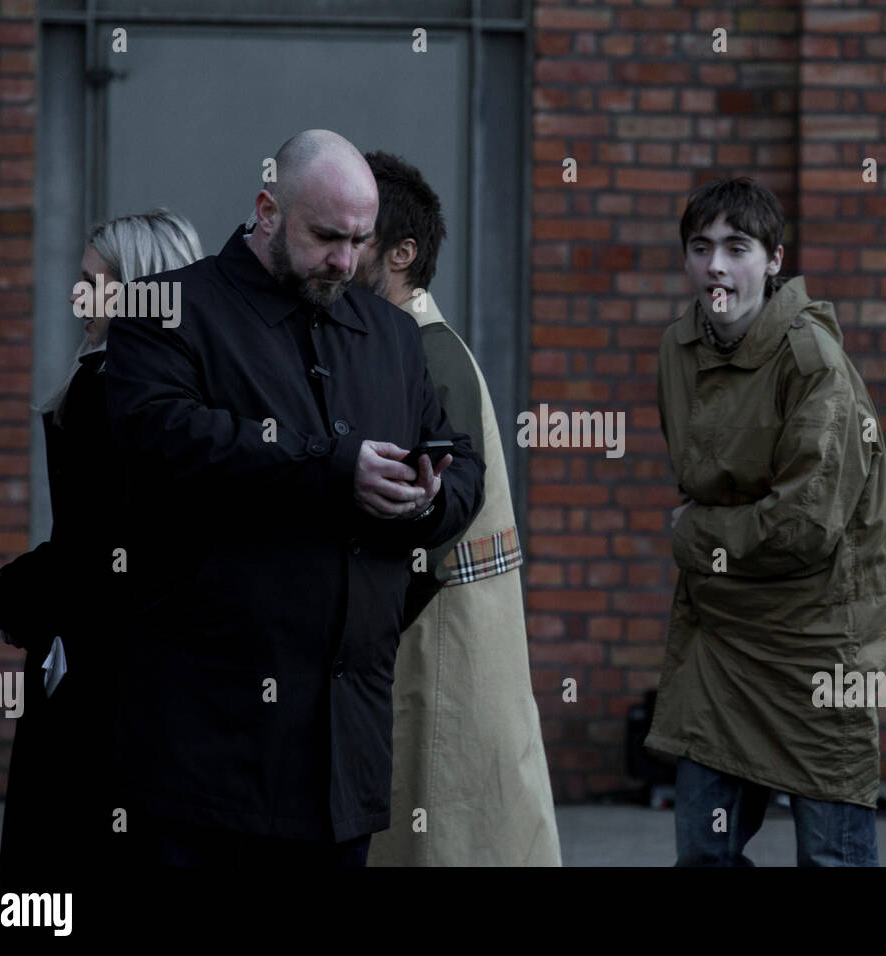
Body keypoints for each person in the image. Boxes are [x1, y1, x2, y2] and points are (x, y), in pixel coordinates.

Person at [102, 129, 484, 867]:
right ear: (267, 209)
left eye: (361, 241)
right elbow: (167, 439)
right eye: (326, 237)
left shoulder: (391, 335)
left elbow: (459, 461)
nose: (345, 261)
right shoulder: (168, 310)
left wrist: (426, 499)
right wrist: (333, 467)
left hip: (345, 754)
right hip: (208, 751)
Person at [644, 177, 886, 866]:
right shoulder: (677, 349)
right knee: (704, 852)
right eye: (701, 248)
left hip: (814, 642)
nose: (717, 266)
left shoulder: (814, 363)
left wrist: (695, 535)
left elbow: (806, 522)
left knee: (832, 858)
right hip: (721, 638)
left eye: (737, 247)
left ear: (774, 259)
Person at [352, 151, 560, 866]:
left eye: (360, 236)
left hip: (439, 645)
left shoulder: (424, 354)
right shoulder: (414, 343)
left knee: (442, 835)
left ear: (402, 253)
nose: (342, 251)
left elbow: (441, 518)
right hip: (442, 642)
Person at [0, 210, 203, 866]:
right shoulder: (194, 394)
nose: (77, 296)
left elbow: (93, 551)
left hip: (93, 678)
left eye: (91, 282)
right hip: (156, 684)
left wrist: (8, 596)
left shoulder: (106, 393)